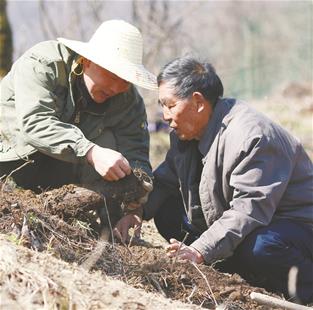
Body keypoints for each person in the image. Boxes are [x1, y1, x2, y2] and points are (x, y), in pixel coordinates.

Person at [116, 56, 313, 303]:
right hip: (243, 223)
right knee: (167, 212)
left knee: (260, 248)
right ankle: (233, 265)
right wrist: (138, 211)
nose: (165, 115)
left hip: (293, 227)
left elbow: (248, 211)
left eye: (170, 105)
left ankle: (303, 290)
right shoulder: (185, 132)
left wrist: (200, 249)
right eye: (161, 106)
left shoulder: (252, 137)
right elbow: (167, 179)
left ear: (198, 102)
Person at [0, 19, 156, 206]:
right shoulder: (44, 64)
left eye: (125, 80)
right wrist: (90, 151)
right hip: (11, 160)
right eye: (113, 75)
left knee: (110, 143)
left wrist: (134, 206)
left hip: (64, 178)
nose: (116, 87)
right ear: (87, 60)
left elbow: (135, 149)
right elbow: (35, 122)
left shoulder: (128, 99)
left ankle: (99, 218)